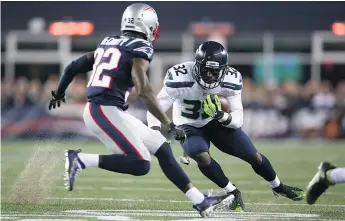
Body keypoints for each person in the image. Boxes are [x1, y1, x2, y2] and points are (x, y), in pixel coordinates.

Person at [48, 3, 232, 217]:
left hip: (110, 110)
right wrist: (168, 123)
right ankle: (81, 159)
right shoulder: (140, 48)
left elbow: (72, 67)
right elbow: (144, 90)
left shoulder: (108, 43)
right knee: (141, 164)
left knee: (163, 149)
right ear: (148, 25)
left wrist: (59, 92)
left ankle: (200, 201)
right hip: (103, 110)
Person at [147, 41, 305, 211]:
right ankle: (232, 192)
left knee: (253, 155)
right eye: (205, 69)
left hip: (215, 121)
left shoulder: (231, 78)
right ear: (197, 65)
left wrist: (221, 115)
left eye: (214, 71)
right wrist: (164, 129)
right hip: (187, 125)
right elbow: (154, 108)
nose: (209, 75)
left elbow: (238, 118)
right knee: (201, 156)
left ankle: (278, 186)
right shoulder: (180, 76)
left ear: (223, 69)